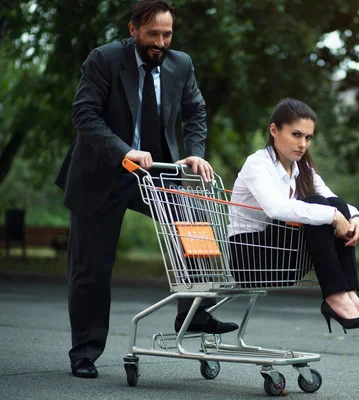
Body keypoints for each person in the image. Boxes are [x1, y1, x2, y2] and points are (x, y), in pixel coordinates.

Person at [55, 0, 237, 379]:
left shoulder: (180, 64)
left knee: (194, 224)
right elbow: (83, 114)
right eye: (153, 33)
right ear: (133, 29)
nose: (160, 42)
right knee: (92, 268)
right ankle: (85, 353)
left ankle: (195, 313)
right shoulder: (104, 60)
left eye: (167, 34)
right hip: (102, 172)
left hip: (158, 175)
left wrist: (195, 154)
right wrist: (125, 152)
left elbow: (196, 111)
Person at [227, 98, 359, 334]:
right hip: (251, 259)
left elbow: (334, 200)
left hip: (286, 257)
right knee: (318, 206)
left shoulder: (303, 169)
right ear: (274, 130)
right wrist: (332, 215)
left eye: (308, 137)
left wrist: (355, 217)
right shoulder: (257, 164)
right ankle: (336, 297)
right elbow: (277, 209)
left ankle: (348, 293)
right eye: (296, 134)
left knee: (331, 204)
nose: (303, 144)